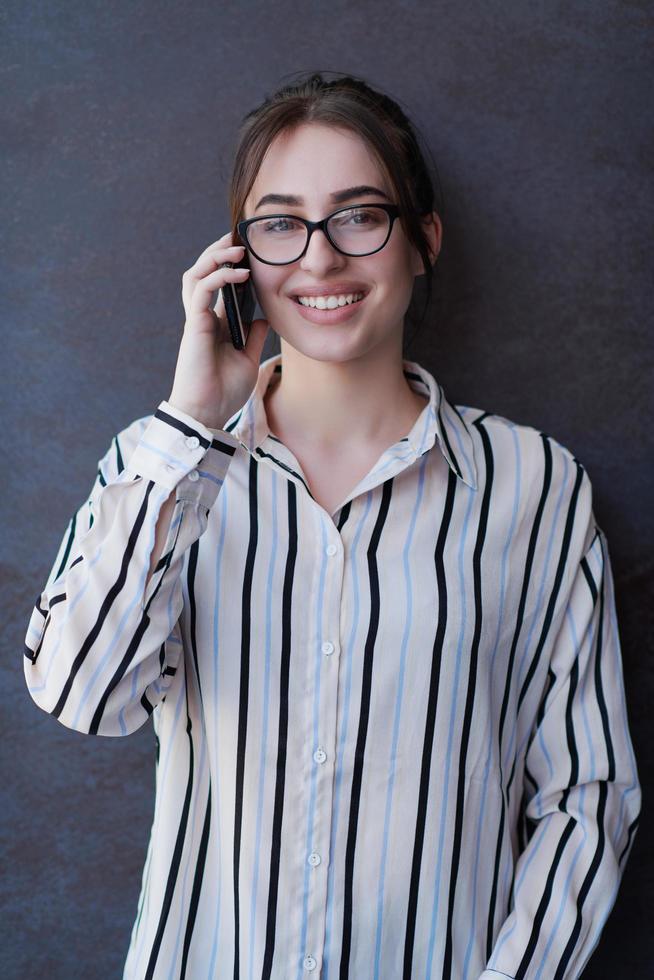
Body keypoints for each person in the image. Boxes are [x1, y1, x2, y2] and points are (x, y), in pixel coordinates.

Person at [24, 71, 641, 980]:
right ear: (238, 258)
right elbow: (81, 694)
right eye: (280, 223)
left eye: (359, 215)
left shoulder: (535, 488)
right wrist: (193, 418)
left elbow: (588, 797)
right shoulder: (160, 469)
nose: (318, 259)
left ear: (422, 240)